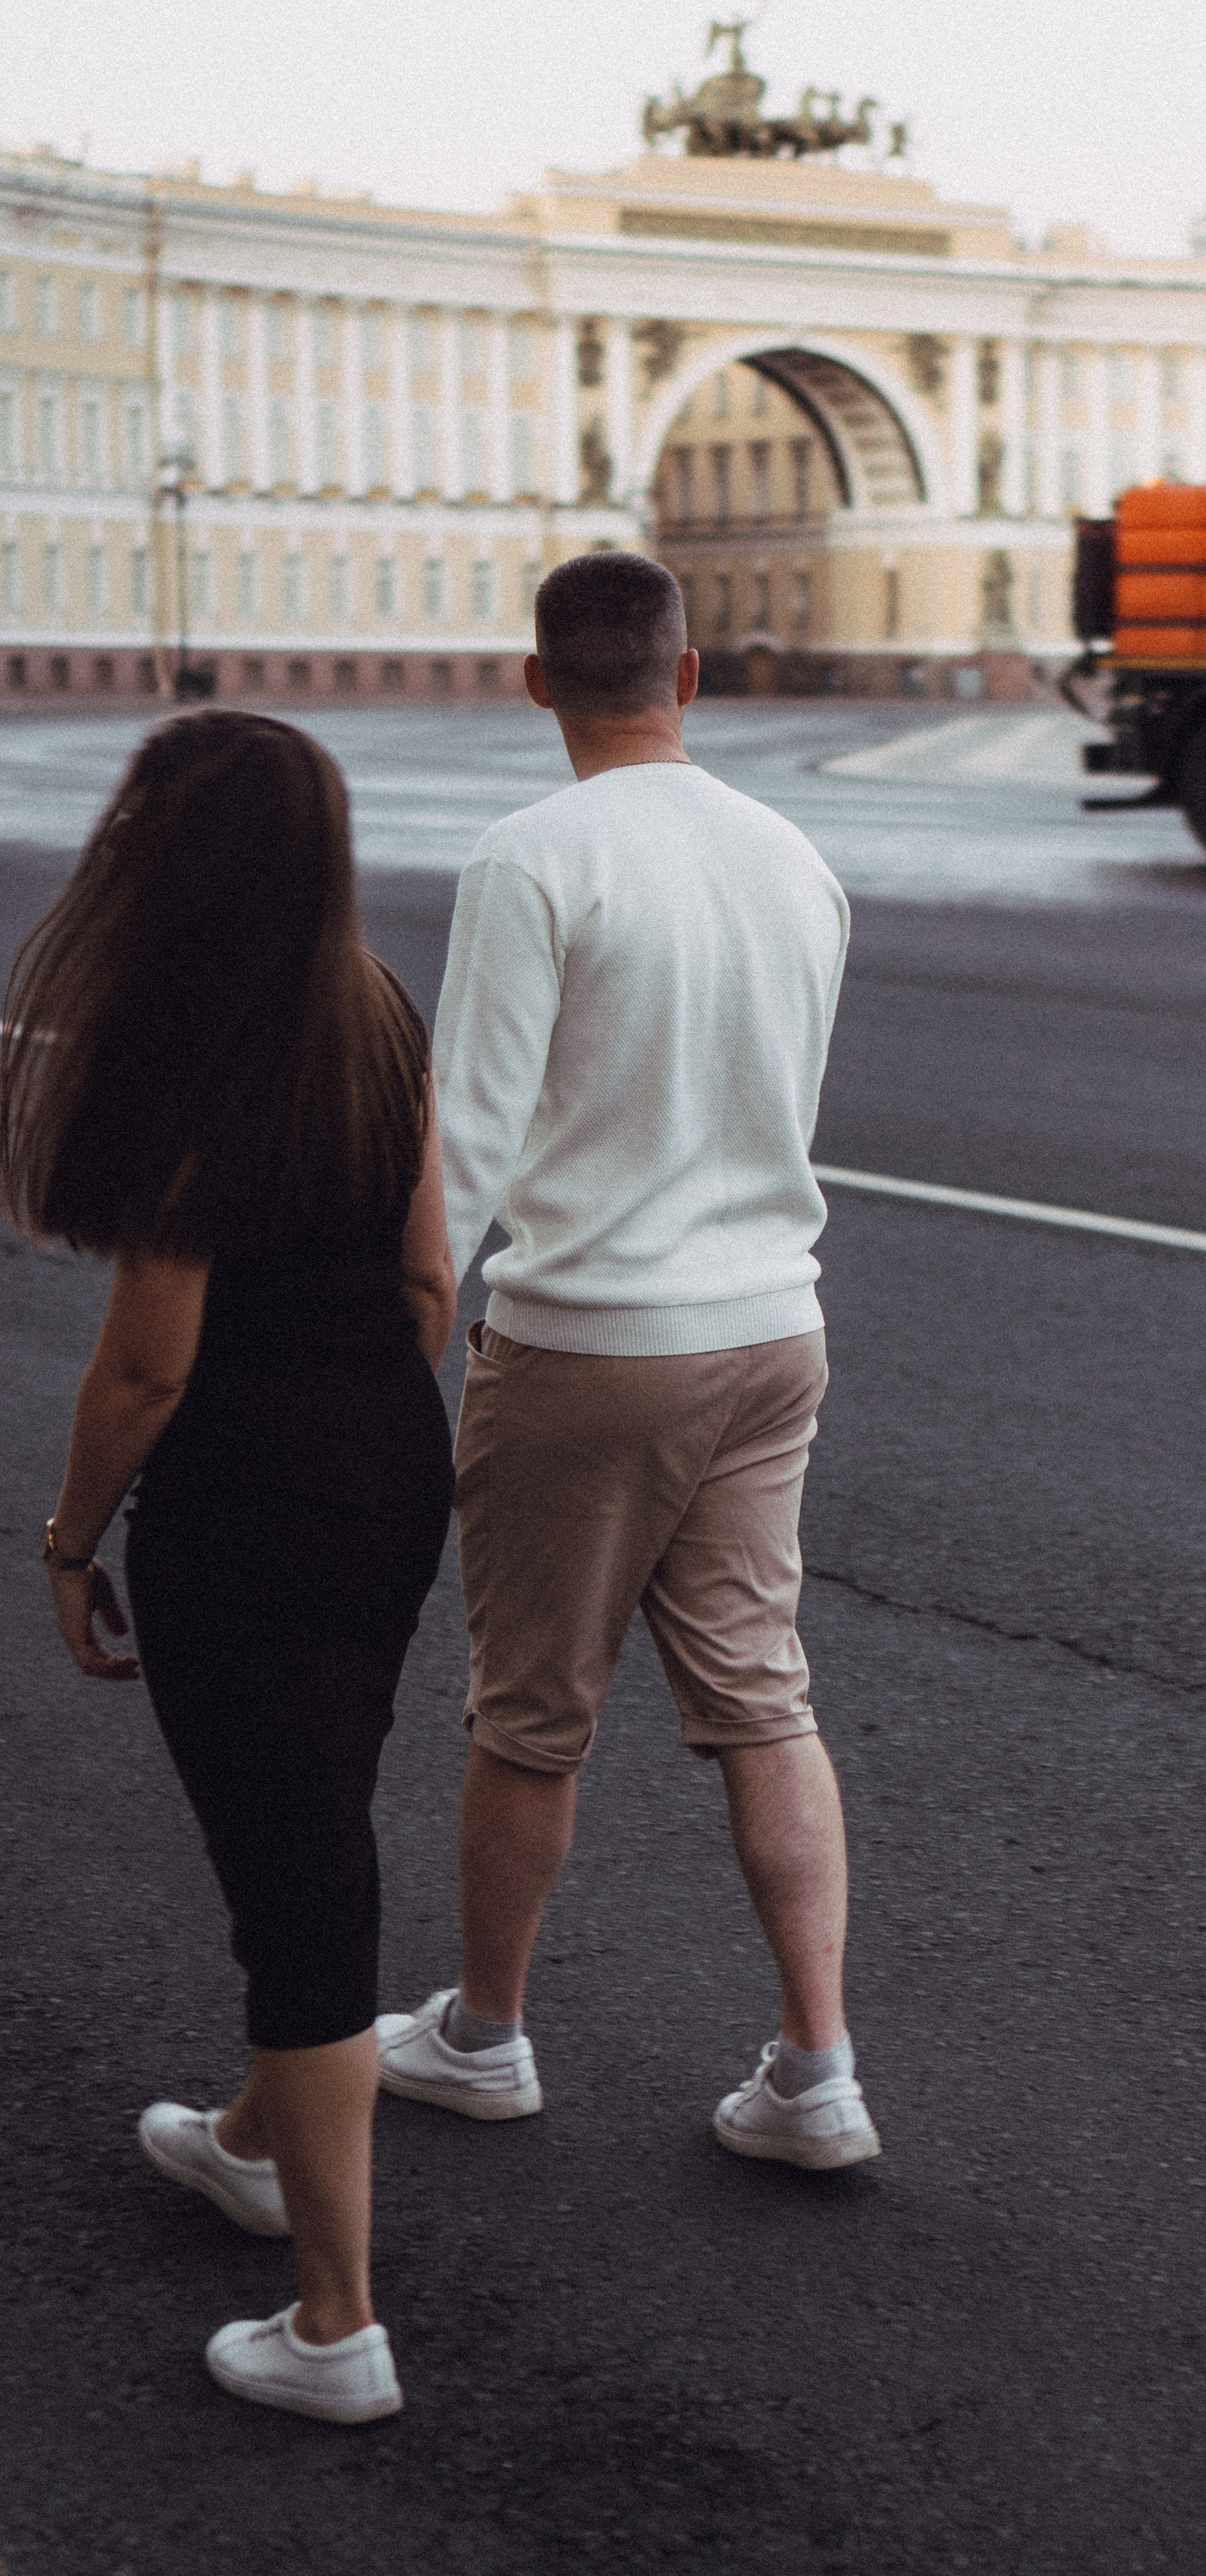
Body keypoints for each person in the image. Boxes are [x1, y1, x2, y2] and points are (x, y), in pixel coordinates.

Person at [376, 550, 877, 2169]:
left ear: (537, 682)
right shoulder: (794, 858)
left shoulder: (533, 857)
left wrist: (396, 1353)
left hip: (591, 1340)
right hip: (772, 1328)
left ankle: (485, 2035)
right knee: (764, 1698)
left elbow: (465, 1143)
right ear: (690, 675)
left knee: (530, 1712)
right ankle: (816, 2073)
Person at [2, 714, 456, 2426]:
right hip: (387, 1468)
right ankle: (261, 2141)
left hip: (245, 1500)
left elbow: (145, 1368)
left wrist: (68, 1540)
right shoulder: (376, 1010)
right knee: (315, 1811)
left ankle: (337, 2325)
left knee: (296, 1882)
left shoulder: (190, 1048)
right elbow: (429, 1281)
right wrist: (360, 1419)